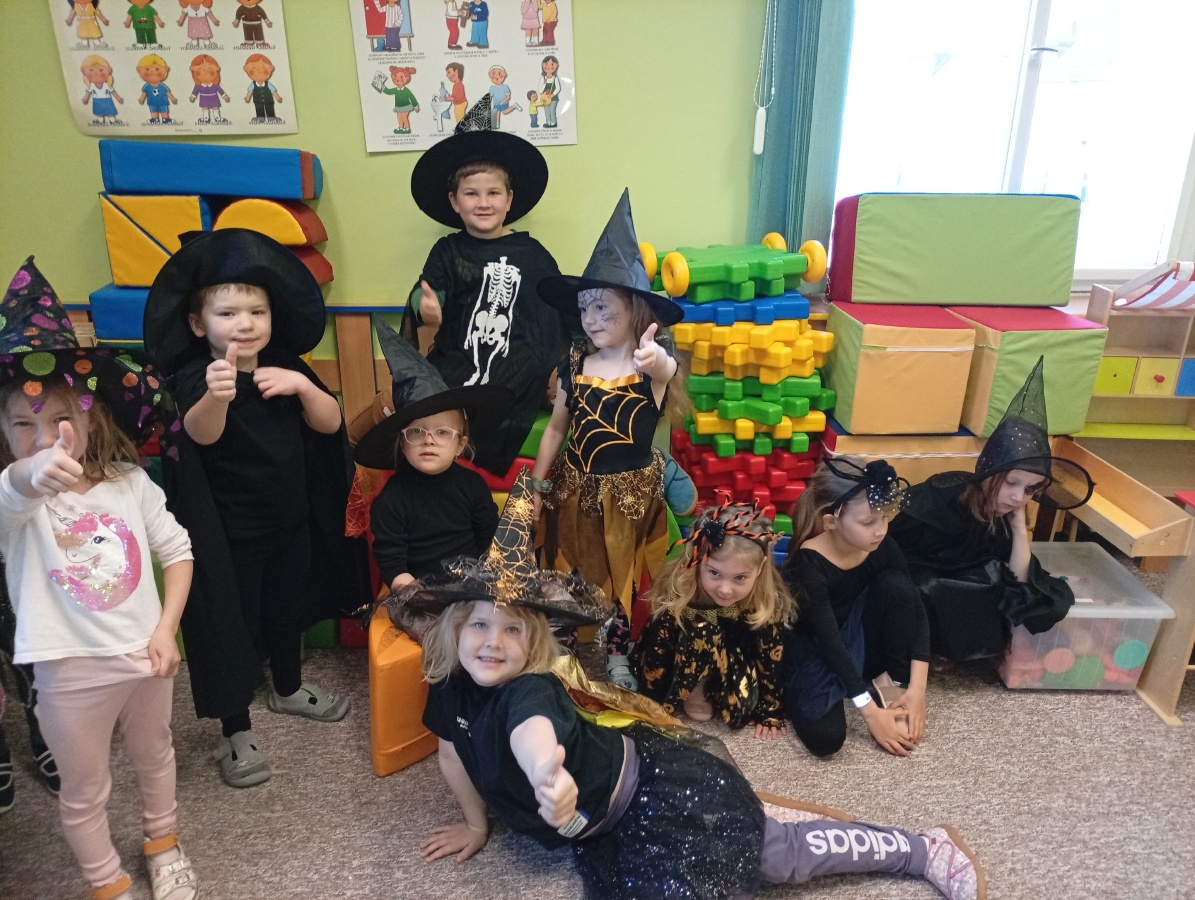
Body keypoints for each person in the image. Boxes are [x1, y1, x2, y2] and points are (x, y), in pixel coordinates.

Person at [393, 471, 985, 900]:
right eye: (479, 625)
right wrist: (477, 824)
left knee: (770, 856)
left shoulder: (530, 689)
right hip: (599, 827)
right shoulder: (450, 685)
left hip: (646, 792)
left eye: (511, 630)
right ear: (454, 629)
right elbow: (452, 753)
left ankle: (921, 849)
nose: (492, 642)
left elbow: (532, 732)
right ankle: (756, 810)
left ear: (533, 644)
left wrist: (547, 771)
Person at [0, 257, 198, 900]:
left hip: (145, 656)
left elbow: (178, 551)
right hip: (67, 672)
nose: (43, 438)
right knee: (85, 789)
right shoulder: (15, 498)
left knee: (156, 755)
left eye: (59, 420)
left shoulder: (128, 483)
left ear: (89, 419)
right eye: (21, 424)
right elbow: (14, 491)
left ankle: (163, 843)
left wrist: (166, 630)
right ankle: (105, 882)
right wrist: (29, 476)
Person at [144, 229, 369, 789]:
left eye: (257, 311)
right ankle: (234, 727)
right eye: (227, 313)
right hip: (228, 535)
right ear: (199, 324)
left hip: (289, 520)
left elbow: (330, 425)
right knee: (231, 624)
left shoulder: (287, 366)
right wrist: (216, 397)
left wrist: (303, 387)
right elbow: (199, 435)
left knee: (286, 610)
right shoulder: (197, 376)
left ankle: (287, 686)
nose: (244, 324)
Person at [533, 188, 684, 690]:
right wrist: (537, 486)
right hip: (573, 488)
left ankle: (618, 650)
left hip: (630, 495)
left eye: (602, 307)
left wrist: (654, 359)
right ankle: (565, 641)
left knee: (623, 575)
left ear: (636, 310)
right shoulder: (575, 365)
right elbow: (557, 427)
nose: (591, 319)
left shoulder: (649, 369)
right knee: (567, 567)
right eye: (584, 309)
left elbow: (667, 368)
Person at [404, 94, 569, 475]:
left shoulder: (533, 254)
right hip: (458, 361)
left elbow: (561, 307)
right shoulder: (449, 250)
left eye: (493, 193)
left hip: (522, 367)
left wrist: (574, 358)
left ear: (509, 199)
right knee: (428, 395)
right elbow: (427, 291)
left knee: (549, 380)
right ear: (454, 201)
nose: (483, 202)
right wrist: (426, 306)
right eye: (471, 193)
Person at [889, 357, 1095, 662]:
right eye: (1011, 483)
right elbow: (893, 551)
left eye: (1030, 489)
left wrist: (1018, 528)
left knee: (1015, 587)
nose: (1018, 496)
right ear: (988, 472)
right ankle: (930, 648)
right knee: (925, 587)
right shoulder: (939, 498)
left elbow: (1019, 580)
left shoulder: (1007, 514)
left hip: (968, 579)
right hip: (922, 580)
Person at [781, 456, 931, 759]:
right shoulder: (809, 568)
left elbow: (916, 611)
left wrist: (917, 690)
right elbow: (830, 643)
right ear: (831, 522)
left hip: (861, 632)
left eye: (884, 518)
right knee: (826, 739)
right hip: (820, 647)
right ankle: (864, 687)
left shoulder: (880, 543)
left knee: (898, 586)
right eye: (868, 522)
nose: (880, 530)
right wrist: (871, 713)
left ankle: (890, 681)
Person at [353, 314, 513, 592]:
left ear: (460, 444)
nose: (429, 441)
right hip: (418, 594)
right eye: (417, 432)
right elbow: (394, 566)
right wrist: (420, 597)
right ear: (402, 443)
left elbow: (492, 543)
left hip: (473, 588)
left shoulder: (472, 486)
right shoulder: (391, 500)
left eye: (442, 432)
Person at [632, 502, 794, 739]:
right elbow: (658, 649)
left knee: (741, 710)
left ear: (760, 569)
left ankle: (713, 688)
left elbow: (770, 655)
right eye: (715, 573)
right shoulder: (681, 590)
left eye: (740, 578)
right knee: (701, 629)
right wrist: (650, 706)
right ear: (697, 560)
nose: (725, 589)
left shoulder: (762, 600)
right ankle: (696, 689)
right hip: (682, 655)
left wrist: (770, 710)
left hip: (732, 662)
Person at [80, 55, 124, 126]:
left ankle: (112, 120)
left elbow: (113, 92)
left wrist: (119, 98)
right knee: (99, 112)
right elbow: (88, 93)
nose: (96, 73)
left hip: (107, 100)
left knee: (110, 111)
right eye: (91, 70)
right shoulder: (92, 86)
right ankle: (100, 120)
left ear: (108, 71)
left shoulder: (106, 85)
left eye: (101, 70)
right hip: (97, 101)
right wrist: (85, 99)